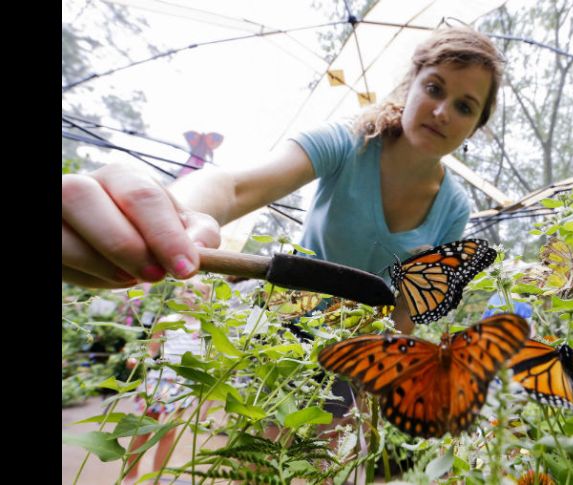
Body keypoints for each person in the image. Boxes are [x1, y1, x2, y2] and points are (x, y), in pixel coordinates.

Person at [63, 25, 504, 425]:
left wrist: (379, 373)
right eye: (434, 88)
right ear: (409, 88)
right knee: (259, 440)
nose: (443, 111)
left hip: (354, 349)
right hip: (282, 326)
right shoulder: (348, 143)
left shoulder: (454, 209)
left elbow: (408, 308)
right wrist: (173, 215)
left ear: (475, 127)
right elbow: (235, 187)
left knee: (316, 453)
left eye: (465, 106)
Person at [123, 277, 213, 483]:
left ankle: (157, 476)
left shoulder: (207, 327)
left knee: (169, 431)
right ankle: (130, 475)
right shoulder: (167, 320)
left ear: (208, 298)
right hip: (161, 379)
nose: (193, 296)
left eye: (200, 293)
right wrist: (137, 359)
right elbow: (151, 350)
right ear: (180, 293)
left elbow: (209, 360)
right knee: (144, 426)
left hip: (185, 384)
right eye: (189, 291)